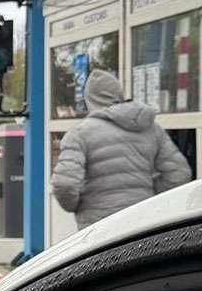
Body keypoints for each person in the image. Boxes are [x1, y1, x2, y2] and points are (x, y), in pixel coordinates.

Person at [51, 69, 191, 230]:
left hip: (98, 229)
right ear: (118, 95)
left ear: (90, 99)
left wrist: (78, 206)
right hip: (143, 223)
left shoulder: (79, 134)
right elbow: (180, 174)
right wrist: (149, 196)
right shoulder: (151, 129)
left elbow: (64, 185)